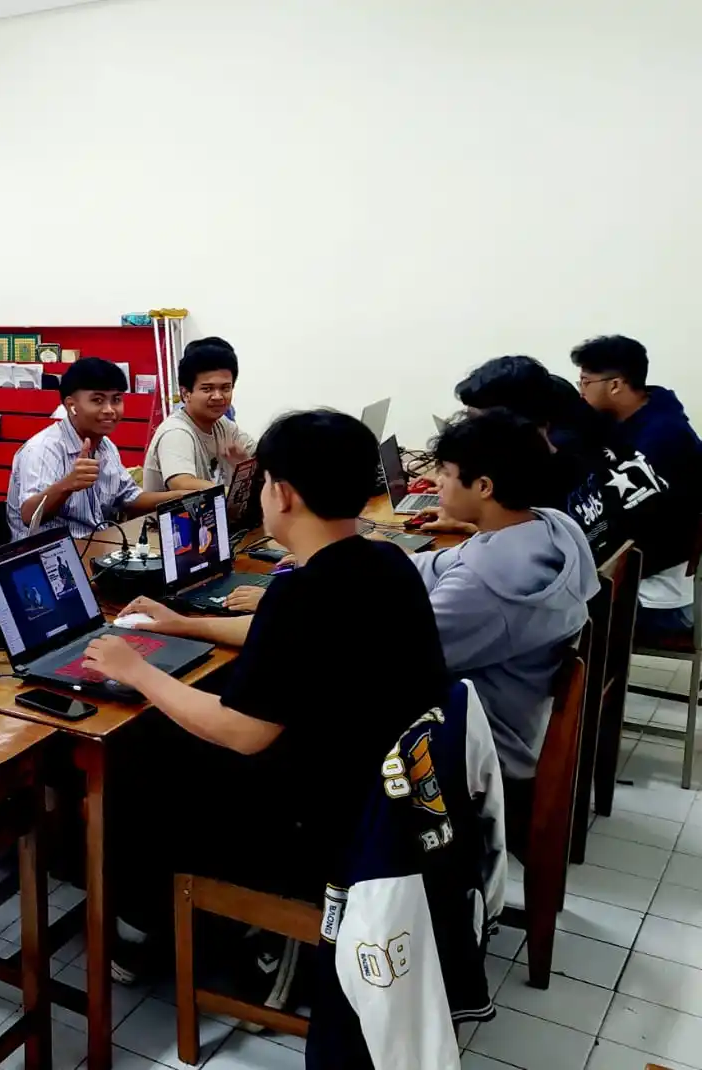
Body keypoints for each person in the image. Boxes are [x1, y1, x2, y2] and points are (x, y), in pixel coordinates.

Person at [81, 411, 448, 986]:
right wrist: (182, 624)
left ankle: (168, 933)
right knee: (168, 736)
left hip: (320, 816)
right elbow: (283, 634)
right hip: (385, 786)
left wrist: (137, 670)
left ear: (282, 493)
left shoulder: (304, 593)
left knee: (132, 764)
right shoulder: (385, 561)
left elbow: (244, 732)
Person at [415, 412, 596, 830]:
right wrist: (361, 564)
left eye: (446, 473)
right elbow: (441, 564)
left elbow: (397, 654)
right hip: (517, 713)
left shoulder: (484, 588)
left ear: (484, 487)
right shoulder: (548, 527)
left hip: (483, 745)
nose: (437, 482)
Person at [422, 355, 621, 559]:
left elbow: (535, 549)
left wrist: (471, 522)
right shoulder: (571, 460)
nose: (470, 429)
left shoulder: (530, 487)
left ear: (512, 423)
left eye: (474, 421)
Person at [572, 335, 702, 641]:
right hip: (627, 582)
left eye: (585, 382)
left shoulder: (663, 441)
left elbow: (640, 541)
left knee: (538, 614)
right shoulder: (621, 423)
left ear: (615, 385)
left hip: (656, 601)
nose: (581, 391)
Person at [7, 357, 180, 539]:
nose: (110, 410)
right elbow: (28, 516)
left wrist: (184, 496)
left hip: (98, 544)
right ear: (71, 406)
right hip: (50, 552)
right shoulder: (42, 449)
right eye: (97, 400)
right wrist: (67, 485)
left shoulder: (106, 447)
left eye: (116, 400)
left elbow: (130, 498)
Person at [143, 337, 257, 492]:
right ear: (185, 394)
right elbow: (182, 484)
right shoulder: (176, 432)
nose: (218, 396)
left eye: (225, 388)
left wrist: (247, 464)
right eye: (207, 389)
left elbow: (265, 457)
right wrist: (230, 493)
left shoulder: (223, 425)